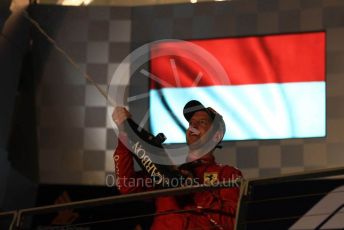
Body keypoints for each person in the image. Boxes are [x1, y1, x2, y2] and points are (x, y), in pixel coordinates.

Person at [112, 100, 242, 230]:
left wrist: (196, 191)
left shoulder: (228, 174)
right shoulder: (167, 170)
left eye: (202, 122)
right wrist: (126, 132)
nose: (193, 126)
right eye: (190, 123)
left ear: (216, 136)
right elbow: (127, 186)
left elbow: (232, 221)